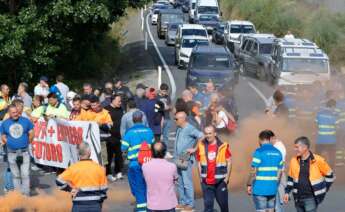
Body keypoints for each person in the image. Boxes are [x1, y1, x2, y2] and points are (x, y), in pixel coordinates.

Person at [284, 137, 335, 212]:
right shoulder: (293, 160)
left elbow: (330, 175)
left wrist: (324, 189)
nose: (295, 149)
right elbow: (290, 179)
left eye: (297, 147)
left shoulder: (318, 160)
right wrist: (287, 192)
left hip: (311, 198)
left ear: (305, 147)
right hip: (298, 198)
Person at [56, 143, 108, 212]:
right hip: (95, 205)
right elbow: (103, 190)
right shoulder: (99, 168)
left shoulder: (73, 168)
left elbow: (59, 180)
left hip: (78, 205)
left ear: (78, 154)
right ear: (89, 152)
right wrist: (99, 201)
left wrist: (70, 189)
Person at [121, 111, 154, 212]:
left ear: (133, 120)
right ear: (142, 119)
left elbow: (123, 148)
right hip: (148, 162)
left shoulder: (129, 132)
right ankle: (150, 205)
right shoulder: (149, 131)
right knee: (149, 184)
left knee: (138, 186)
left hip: (135, 164)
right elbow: (152, 145)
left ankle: (142, 208)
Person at [196, 126, 232, 212]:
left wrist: (226, 179)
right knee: (208, 207)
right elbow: (199, 163)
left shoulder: (223, 146)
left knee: (223, 206)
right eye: (206, 133)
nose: (208, 135)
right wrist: (201, 178)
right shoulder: (201, 146)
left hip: (220, 182)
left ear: (215, 134)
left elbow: (229, 162)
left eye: (210, 133)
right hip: (206, 182)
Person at [0, 105, 34, 196]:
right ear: (9, 113)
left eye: (17, 112)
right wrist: (8, 142)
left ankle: (26, 194)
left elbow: (31, 132)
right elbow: (3, 135)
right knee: (15, 175)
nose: (16, 114)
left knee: (25, 174)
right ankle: (18, 195)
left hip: (24, 152)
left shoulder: (26, 121)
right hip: (11, 152)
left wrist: (28, 141)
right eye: (13, 112)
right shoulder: (5, 123)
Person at [247, 130, 283, 212]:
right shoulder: (278, 152)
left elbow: (253, 170)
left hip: (260, 189)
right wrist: (275, 184)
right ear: (270, 139)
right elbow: (280, 172)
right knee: (271, 209)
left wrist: (249, 184)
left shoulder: (259, 151)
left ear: (260, 139)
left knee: (261, 209)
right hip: (272, 188)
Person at [174, 111, 204, 211]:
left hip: (185, 159)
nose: (175, 121)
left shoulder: (189, 128)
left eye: (176, 119)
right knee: (179, 182)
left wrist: (195, 149)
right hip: (178, 158)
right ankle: (182, 202)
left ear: (183, 119)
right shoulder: (179, 128)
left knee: (187, 183)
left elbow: (201, 136)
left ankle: (190, 205)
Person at [142, 142, 178, 212]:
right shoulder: (172, 166)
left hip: (152, 205)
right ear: (165, 152)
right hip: (169, 204)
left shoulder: (145, 166)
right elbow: (176, 179)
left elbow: (144, 178)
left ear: (152, 152)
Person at [104, 95, 124, 181]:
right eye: (118, 101)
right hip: (109, 136)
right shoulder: (105, 110)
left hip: (119, 136)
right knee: (109, 156)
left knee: (119, 155)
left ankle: (118, 171)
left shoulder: (121, 109)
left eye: (120, 101)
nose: (120, 103)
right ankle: (108, 173)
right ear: (112, 101)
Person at [89, 95, 113, 166]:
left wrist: (101, 124)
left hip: (102, 141)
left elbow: (110, 126)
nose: (93, 107)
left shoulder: (105, 113)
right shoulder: (88, 112)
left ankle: (103, 176)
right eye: (91, 105)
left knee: (103, 162)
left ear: (99, 103)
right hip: (91, 141)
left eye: (94, 105)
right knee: (93, 161)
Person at [315, 99, 338, 168]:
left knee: (318, 156)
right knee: (331, 156)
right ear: (333, 106)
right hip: (331, 139)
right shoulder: (333, 115)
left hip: (320, 139)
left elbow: (315, 124)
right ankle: (330, 172)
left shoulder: (319, 113)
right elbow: (337, 126)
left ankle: (316, 169)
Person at [268, 131, 287, 212]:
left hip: (277, 175)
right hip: (277, 175)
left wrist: (276, 178)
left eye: (268, 141)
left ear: (272, 138)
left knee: (276, 202)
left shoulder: (278, 147)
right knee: (275, 201)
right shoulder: (276, 146)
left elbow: (279, 164)